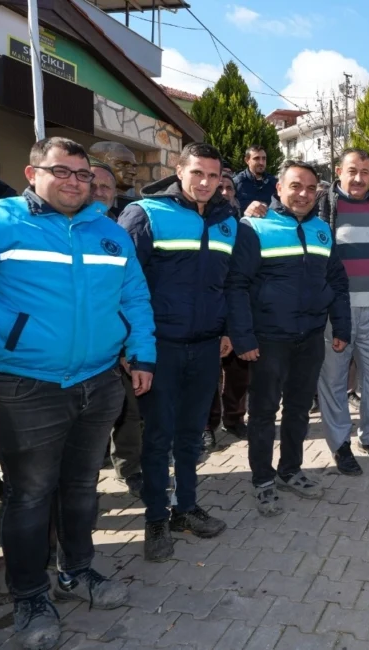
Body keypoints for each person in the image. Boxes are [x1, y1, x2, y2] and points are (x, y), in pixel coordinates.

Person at [0, 137, 156, 649]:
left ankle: (77, 571)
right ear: (31, 171)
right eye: (61, 171)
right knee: (29, 494)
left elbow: (135, 295)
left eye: (83, 174)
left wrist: (143, 351)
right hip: (23, 386)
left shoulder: (108, 232)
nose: (73, 181)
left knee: (81, 487)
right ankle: (28, 594)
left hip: (98, 381)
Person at [117, 142, 238, 561]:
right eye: (197, 173)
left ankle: (185, 508)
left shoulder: (228, 221)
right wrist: (134, 348)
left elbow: (227, 284)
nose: (205, 183)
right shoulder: (145, 214)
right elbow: (124, 287)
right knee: (157, 438)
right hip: (159, 349)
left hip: (205, 348)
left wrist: (225, 331)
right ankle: (155, 518)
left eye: (213, 175)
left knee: (192, 437)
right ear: (178, 171)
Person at [228, 160, 351, 514]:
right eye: (296, 186)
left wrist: (341, 328)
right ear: (278, 188)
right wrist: (244, 338)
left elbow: (338, 284)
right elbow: (236, 285)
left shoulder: (323, 230)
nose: (304, 194)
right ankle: (262, 480)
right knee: (264, 412)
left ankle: (290, 469)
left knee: (298, 410)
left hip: (310, 337)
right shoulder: (255, 227)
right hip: (268, 339)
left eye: (311, 189)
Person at [315, 149, 369, 474]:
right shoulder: (324, 207)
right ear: (338, 171)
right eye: (352, 170)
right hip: (338, 314)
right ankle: (340, 444)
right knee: (333, 381)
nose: (359, 178)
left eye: (365, 171)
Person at [92, 157, 144, 495]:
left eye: (105, 187)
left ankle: (128, 467)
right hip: (76, 351)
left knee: (129, 411)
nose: (98, 192)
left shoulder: (120, 231)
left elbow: (133, 293)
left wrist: (133, 344)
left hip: (118, 342)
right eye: (92, 185)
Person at [205, 163, 250, 451]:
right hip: (207, 311)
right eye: (219, 187)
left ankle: (234, 418)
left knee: (237, 372)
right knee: (209, 375)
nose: (223, 192)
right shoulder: (201, 220)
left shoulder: (242, 224)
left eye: (228, 188)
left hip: (235, 310)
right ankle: (207, 425)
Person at [234, 145, 277, 214]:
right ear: (247, 160)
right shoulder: (237, 183)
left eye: (264, 158)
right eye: (256, 158)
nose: (261, 162)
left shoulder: (274, 183)